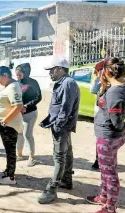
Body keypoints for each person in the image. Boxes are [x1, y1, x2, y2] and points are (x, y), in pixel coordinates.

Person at [86, 57, 125, 213]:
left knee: (110, 174)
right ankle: (103, 196)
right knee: (107, 170)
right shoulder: (123, 85)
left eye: (101, 70)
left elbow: (117, 120)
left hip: (108, 137)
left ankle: (110, 210)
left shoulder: (115, 92)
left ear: (107, 72)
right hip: (112, 137)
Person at [38, 57, 80, 204]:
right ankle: (67, 180)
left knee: (59, 157)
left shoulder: (68, 83)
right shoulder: (63, 83)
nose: (50, 73)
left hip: (62, 127)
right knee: (67, 152)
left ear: (60, 69)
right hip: (62, 126)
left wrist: (58, 125)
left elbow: (66, 108)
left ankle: (52, 190)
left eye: (52, 70)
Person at [0, 66, 24, 184]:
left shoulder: (13, 87)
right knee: (8, 151)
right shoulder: (9, 87)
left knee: (10, 151)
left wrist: (4, 121)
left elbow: (18, 106)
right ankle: (8, 171)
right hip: (7, 124)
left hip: (9, 125)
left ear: (5, 75)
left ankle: (10, 177)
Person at [15, 63, 42, 167]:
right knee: (19, 134)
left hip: (30, 113)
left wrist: (26, 106)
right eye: (16, 74)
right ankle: (20, 154)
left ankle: (32, 157)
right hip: (18, 114)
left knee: (27, 134)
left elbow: (38, 97)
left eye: (19, 73)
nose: (17, 75)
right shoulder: (17, 83)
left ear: (26, 72)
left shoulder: (33, 83)